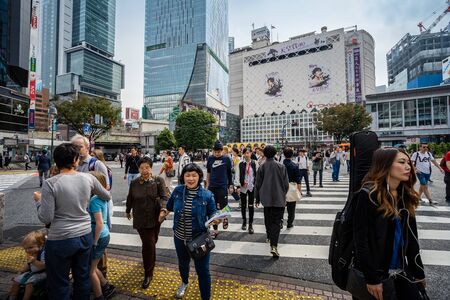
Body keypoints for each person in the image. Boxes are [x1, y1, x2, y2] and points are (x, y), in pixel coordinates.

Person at [33, 143, 110, 299]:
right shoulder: (88, 178)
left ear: (56, 161)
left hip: (60, 239)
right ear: (75, 160)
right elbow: (107, 196)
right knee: (82, 278)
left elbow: (46, 217)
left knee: (59, 282)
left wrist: (38, 201)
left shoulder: (51, 183)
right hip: (84, 235)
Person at [350, 147, 426, 300]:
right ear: (385, 165)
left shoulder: (405, 195)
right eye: (402, 162)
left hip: (402, 270)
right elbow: (361, 241)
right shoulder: (368, 195)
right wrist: (371, 278)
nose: (408, 167)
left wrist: (418, 272)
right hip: (377, 273)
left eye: (408, 162)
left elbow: (412, 238)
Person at [161, 163, 217, 300]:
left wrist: (216, 220)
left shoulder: (207, 195)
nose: (190, 178)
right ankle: (184, 282)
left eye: (194, 175)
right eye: (187, 175)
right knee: (183, 264)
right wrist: (163, 212)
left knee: (203, 270)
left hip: (199, 239)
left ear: (199, 177)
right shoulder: (178, 191)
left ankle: (205, 297)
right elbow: (168, 207)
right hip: (180, 238)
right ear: (183, 177)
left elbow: (213, 213)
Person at [126, 157, 167, 289]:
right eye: (142, 168)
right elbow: (130, 198)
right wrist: (128, 210)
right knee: (148, 244)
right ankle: (148, 273)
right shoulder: (134, 183)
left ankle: (150, 261)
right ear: (139, 169)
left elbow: (164, 197)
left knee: (153, 241)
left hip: (156, 217)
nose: (144, 170)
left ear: (151, 167)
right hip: (140, 218)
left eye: (147, 167)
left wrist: (163, 209)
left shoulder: (158, 181)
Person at [255, 145, 289, 258]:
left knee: (268, 218)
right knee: (276, 222)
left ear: (264, 154)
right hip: (279, 198)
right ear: (275, 154)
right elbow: (286, 184)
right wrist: (283, 193)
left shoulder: (262, 167)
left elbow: (258, 185)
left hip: (266, 198)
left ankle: (269, 236)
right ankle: (274, 245)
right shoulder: (281, 166)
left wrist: (257, 198)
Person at [88, 171, 116, 299]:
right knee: (92, 266)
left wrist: (94, 241)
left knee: (90, 270)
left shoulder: (94, 200)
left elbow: (98, 223)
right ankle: (106, 286)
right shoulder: (102, 197)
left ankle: (99, 296)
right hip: (104, 234)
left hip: (99, 235)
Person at [205, 140, 233, 239]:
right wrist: (207, 185)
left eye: (219, 152)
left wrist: (230, 185)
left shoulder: (227, 159)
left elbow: (230, 173)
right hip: (212, 186)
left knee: (223, 206)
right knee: (213, 209)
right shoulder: (210, 159)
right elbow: (208, 172)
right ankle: (215, 230)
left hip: (222, 186)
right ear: (213, 151)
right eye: (215, 152)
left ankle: (225, 217)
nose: (217, 154)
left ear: (222, 151)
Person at [8, 231, 46, 300]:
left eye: (30, 247)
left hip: (43, 273)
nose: (27, 250)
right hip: (33, 273)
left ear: (40, 245)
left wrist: (34, 261)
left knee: (29, 284)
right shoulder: (31, 253)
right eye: (25, 249)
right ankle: (12, 297)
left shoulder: (43, 253)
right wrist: (20, 272)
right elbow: (28, 265)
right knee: (16, 281)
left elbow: (44, 266)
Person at [234, 148, 258, 234]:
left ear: (251, 153)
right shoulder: (240, 164)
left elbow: (257, 175)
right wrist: (237, 186)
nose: (247, 154)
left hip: (251, 187)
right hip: (243, 187)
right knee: (243, 205)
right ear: (243, 154)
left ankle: (250, 225)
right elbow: (237, 175)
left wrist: (257, 186)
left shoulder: (255, 163)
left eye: (248, 153)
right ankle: (244, 222)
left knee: (251, 206)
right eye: (245, 153)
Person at [282, 148, 301, 229]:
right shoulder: (295, 166)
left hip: (281, 187)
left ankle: (280, 221)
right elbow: (298, 180)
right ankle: (289, 223)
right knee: (291, 208)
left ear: (283, 155)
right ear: (292, 155)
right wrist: (299, 191)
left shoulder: (280, 165)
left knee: (280, 206)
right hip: (292, 188)